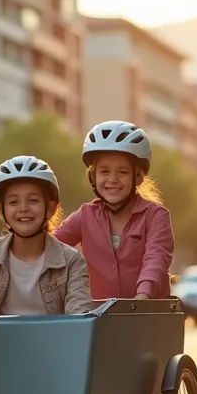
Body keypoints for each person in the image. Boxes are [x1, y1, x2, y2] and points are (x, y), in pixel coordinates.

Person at [0, 156, 92, 317]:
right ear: (1, 212)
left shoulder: (72, 262)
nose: (23, 208)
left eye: (33, 200)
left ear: (50, 209)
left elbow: (80, 312)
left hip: (52, 342)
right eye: (13, 202)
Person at [53, 120, 175, 300]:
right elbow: (50, 246)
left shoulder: (156, 216)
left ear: (139, 177)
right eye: (104, 172)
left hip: (148, 314)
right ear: (93, 177)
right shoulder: (85, 215)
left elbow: (156, 258)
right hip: (99, 317)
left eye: (122, 172)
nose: (112, 179)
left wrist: (143, 295)